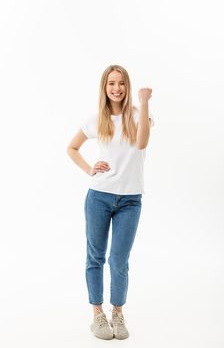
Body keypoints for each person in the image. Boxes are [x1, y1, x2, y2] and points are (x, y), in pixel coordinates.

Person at [67, 64, 154, 340]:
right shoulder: (96, 120)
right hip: (99, 197)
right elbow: (72, 147)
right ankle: (97, 314)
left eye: (121, 83)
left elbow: (141, 145)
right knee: (95, 256)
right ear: (104, 88)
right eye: (111, 83)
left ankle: (117, 312)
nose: (116, 88)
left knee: (119, 259)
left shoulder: (140, 114)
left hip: (130, 199)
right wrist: (89, 168)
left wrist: (143, 101)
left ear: (127, 87)